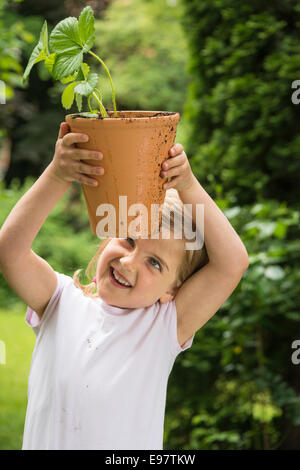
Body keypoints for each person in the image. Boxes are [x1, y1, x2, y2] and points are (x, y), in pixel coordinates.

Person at [0, 122, 249, 450]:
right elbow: (10, 252)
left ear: (171, 290)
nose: (129, 262)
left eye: (155, 263)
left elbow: (234, 262)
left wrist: (187, 185)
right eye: (129, 239)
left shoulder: (164, 327)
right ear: (109, 237)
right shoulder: (59, 301)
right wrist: (58, 175)